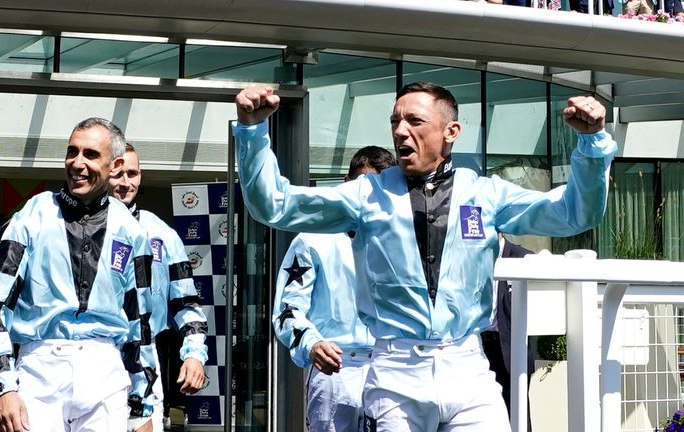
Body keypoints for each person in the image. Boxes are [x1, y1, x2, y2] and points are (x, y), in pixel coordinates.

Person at [232, 82, 616, 431]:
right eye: (395, 121)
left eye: (414, 120)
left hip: (468, 368)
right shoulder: (366, 195)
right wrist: (251, 131)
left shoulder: (486, 194)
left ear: (451, 132)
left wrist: (592, 142)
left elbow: (573, 214)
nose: (400, 131)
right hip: (395, 372)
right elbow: (275, 206)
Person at [0, 118, 157, 432]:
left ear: (114, 166)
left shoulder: (132, 230)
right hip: (40, 367)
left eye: (90, 154)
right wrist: (3, 385)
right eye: (72, 152)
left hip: (106, 371)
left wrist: (142, 406)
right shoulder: (32, 215)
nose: (77, 163)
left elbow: (138, 323)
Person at [273, 145, 396, 432]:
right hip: (335, 368)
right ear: (346, 184)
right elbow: (287, 310)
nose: (368, 195)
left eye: (378, 188)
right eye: (362, 185)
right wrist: (312, 343)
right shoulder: (312, 239)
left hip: (391, 365)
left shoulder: (402, 241)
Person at [109, 143, 209, 432]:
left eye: (133, 173)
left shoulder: (164, 235)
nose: (126, 182)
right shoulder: (80, 231)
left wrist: (193, 354)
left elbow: (186, 303)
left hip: (145, 367)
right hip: (93, 359)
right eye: (118, 173)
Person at [481, 233, 535, 430]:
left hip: (511, 350)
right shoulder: (473, 257)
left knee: (517, 415)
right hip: (476, 347)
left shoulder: (523, 258)